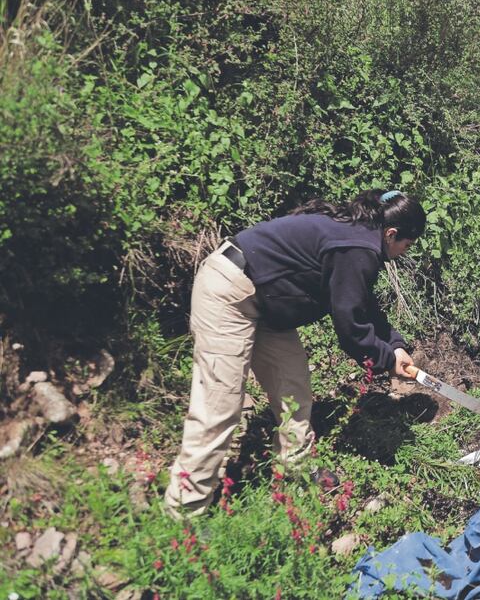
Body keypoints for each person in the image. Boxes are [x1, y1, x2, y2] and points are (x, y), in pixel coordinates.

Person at [164, 189, 425, 519]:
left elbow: (362, 304)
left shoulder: (357, 235)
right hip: (229, 293)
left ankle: (295, 468)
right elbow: (351, 328)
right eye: (407, 244)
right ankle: (186, 510)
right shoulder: (358, 247)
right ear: (391, 234)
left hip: (265, 303)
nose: (404, 252)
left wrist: (395, 345)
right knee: (220, 405)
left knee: (293, 385)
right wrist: (386, 361)